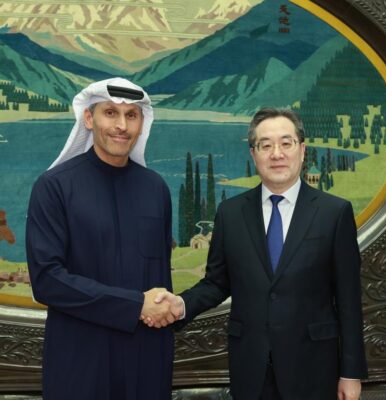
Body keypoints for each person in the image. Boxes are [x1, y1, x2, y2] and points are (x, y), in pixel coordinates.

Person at [144, 108, 368, 400]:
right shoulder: (231, 213)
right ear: (254, 154)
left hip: (314, 368)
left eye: (286, 143)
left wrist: (351, 373)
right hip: (251, 368)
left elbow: (349, 300)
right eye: (265, 145)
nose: (277, 154)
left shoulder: (334, 213)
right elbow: (216, 283)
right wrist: (180, 304)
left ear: (302, 150)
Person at [26, 78, 177, 400]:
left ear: (142, 123)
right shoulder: (53, 187)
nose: (121, 125)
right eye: (110, 113)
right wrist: (134, 305)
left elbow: (160, 277)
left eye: (131, 115)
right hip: (80, 360)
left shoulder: (156, 189)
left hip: (146, 362)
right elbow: (47, 281)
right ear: (89, 118)